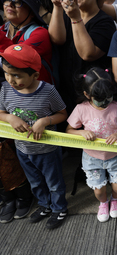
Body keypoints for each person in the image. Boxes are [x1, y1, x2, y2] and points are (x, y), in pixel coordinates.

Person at [0, 44, 68, 229]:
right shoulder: (5, 89)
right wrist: (9, 117)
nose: (10, 80)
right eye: (7, 73)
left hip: (47, 150)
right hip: (22, 148)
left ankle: (59, 208)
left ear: (35, 76)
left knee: (54, 182)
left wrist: (45, 121)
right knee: (35, 181)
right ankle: (44, 205)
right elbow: (1, 112)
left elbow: (63, 113)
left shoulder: (48, 91)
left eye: (17, 75)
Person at [66, 67, 117, 223]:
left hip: (115, 155)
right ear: (87, 95)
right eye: (99, 99)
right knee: (99, 191)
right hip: (91, 157)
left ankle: (115, 200)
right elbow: (68, 130)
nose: (105, 102)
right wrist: (81, 132)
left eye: (109, 97)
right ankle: (103, 203)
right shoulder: (81, 109)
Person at [49, 0, 116, 115]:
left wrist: (76, 19)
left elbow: (88, 54)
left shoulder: (105, 22)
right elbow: (57, 39)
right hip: (65, 91)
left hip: (91, 97)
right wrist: (57, 6)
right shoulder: (68, 15)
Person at [0, 0, 53, 84]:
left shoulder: (40, 33)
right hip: (7, 93)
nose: (10, 4)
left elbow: (16, 57)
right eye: (7, 0)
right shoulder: (1, 30)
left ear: (32, 12)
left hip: (34, 95)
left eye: (17, 2)